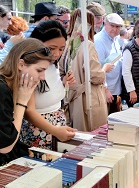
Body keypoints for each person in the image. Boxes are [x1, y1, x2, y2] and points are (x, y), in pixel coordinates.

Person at [20, 20, 76, 148]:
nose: (56, 54)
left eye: (61, 49)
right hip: (39, 132)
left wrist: (64, 83)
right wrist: (54, 130)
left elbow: (48, 93)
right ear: (37, 43)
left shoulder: (52, 64)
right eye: (51, 48)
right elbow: (29, 111)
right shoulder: (30, 68)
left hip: (57, 128)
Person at [0, 39, 52, 165]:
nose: (43, 77)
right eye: (39, 70)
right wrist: (22, 102)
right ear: (21, 64)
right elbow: (5, 146)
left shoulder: (9, 86)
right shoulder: (2, 90)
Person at [60, 9, 113, 131]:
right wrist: (104, 69)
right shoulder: (87, 45)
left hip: (72, 96)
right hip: (88, 98)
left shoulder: (67, 43)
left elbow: (62, 72)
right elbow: (95, 76)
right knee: (92, 137)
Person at [94, 13, 123, 113]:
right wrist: (105, 90)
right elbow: (98, 68)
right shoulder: (99, 41)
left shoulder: (115, 39)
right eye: (112, 26)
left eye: (118, 26)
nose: (115, 29)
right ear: (105, 23)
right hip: (106, 90)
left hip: (115, 89)